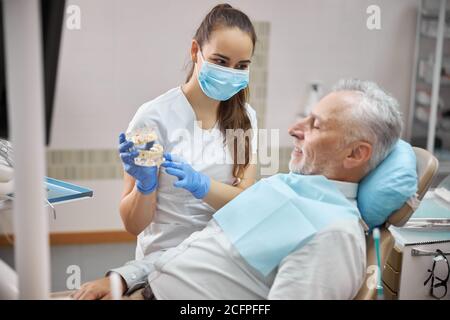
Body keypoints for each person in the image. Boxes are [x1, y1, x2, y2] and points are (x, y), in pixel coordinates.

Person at [78, 78, 402, 300]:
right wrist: (124, 278)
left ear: (356, 154)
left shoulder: (332, 234)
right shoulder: (280, 186)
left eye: (315, 125)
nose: (293, 130)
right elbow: (194, 248)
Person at [72, 3, 258, 300]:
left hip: (219, 259)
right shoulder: (153, 118)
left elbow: (247, 203)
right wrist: (145, 187)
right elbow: (133, 224)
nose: (230, 73)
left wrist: (203, 186)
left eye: (241, 66)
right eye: (220, 61)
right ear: (196, 51)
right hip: (160, 267)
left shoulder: (245, 117)